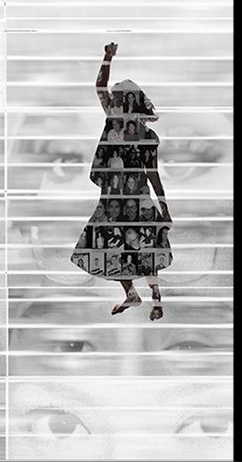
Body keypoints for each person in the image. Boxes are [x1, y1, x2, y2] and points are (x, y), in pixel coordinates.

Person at [70, 42, 172, 320]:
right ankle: (138, 295)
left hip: (126, 200)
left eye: (118, 98)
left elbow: (153, 174)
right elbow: (100, 86)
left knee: (132, 247)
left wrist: (164, 208)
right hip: (123, 200)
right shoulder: (122, 126)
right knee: (121, 247)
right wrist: (107, 57)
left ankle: (152, 297)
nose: (113, 102)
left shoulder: (140, 134)